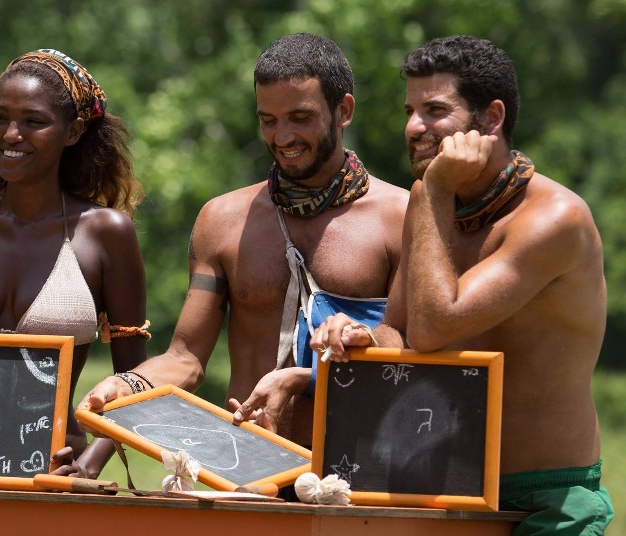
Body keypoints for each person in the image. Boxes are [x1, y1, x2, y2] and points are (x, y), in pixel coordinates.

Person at [312, 36, 613, 534]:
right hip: (439, 487)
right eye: (410, 111)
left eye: (434, 110)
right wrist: (362, 337)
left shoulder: (554, 218)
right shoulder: (429, 201)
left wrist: (436, 190)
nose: (414, 127)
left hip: (546, 499)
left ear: (491, 119)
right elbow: (402, 332)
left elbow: (436, 327)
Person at [79, 33, 408, 448]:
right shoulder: (223, 221)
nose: (282, 137)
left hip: (361, 466)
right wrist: (127, 386)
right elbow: (186, 358)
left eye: (300, 117)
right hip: (250, 466)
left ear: (343, 111)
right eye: (268, 120)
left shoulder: (401, 218)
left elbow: (413, 347)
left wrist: (364, 337)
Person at [0, 49, 149, 479]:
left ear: (73, 131)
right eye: (0, 117)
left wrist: (87, 467)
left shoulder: (105, 233)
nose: (11, 134)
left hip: (53, 467)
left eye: (33, 121)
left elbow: (134, 379)